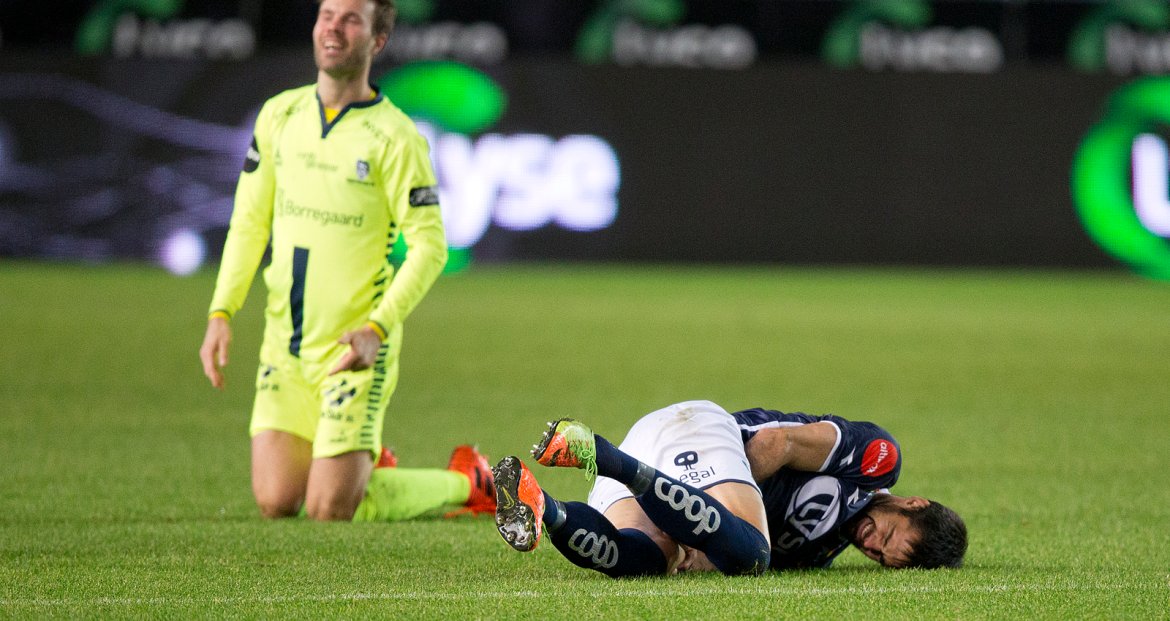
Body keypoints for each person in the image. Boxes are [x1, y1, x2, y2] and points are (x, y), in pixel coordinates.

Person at [197, 0, 481, 522]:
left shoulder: (396, 137)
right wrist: (222, 312)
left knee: (329, 509)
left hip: (355, 348)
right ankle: (364, 467)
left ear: (377, 41)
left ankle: (465, 482)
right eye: (326, 14)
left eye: (351, 18)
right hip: (285, 344)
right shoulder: (280, 115)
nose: (333, 27)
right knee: (277, 501)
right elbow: (249, 223)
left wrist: (377, 327)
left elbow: (431, 246)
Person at [492, 400, 966, 576]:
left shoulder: (816, 554)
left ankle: (542, 506)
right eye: (887, 536)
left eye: (881, 557)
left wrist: (697, 538)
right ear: (912, 504)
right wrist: (710, 514)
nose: (871, 545)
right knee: (753, 556)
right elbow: (777, 442)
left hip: (658, 465)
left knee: (644, 559)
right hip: (698, 432)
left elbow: (713, 537)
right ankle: (603, 454)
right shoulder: (875, 462)